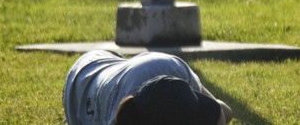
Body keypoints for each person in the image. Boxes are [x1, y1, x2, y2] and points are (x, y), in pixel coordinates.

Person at [63, 50, 233, 124]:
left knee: (224, 112)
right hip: (82, 78)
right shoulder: (115, 114)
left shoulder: (170, 69)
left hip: (95, 65)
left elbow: (222, 113)